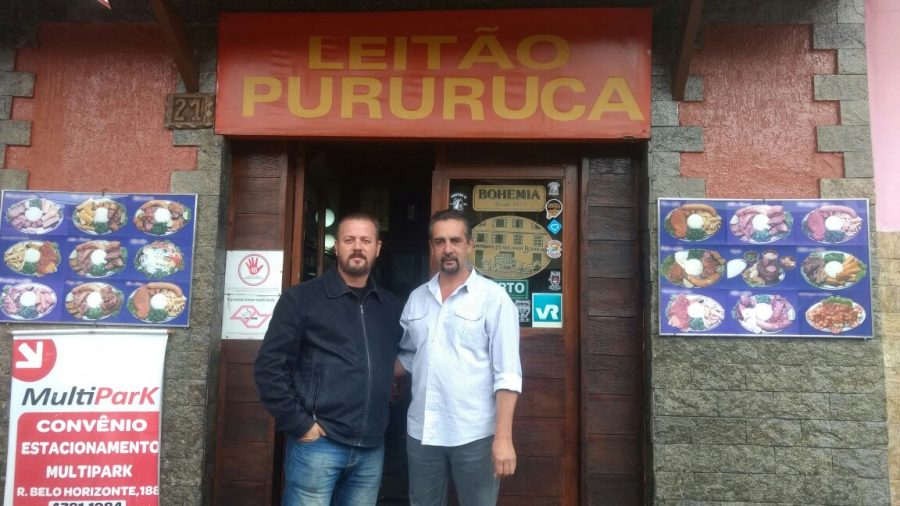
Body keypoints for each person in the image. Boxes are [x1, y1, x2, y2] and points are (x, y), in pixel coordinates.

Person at [254, 213, 402, 505]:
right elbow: (270, 366)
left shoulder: (390, 306)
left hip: (371, 446)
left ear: (377, 248)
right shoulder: (301, 299)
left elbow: (399, 359)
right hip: (319, 443)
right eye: (349, 240)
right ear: (337, 247)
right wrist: (299, 424)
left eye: (365, 240)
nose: (357, 247)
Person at [397, 209, 522, 505]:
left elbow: (507, 374)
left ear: (469, 244)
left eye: (455, 240)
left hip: (474, 434)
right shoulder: (417, 298)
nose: (448, 249)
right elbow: (409, 356)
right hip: (422, 432)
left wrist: (503, 438)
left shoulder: (494, 298)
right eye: (440, 241)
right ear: (432, 247)